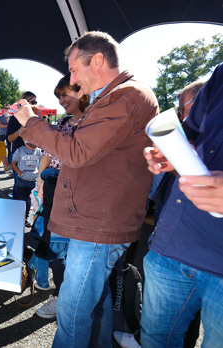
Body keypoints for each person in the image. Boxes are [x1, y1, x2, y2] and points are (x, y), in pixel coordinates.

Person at [15, 31, 159, 347]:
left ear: (97, 60)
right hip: (91, 219)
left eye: (74, 69)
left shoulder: (127, 97)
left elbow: (77, 152)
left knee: (73, 310)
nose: (73, 79)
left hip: (97, 224)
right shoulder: (114, 97)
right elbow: (79, 148)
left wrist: (31, 122)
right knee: (96, 303)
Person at [140, 64, 223, 347]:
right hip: (172, 250)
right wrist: (168, 154)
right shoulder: (220, 75)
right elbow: (192, 136)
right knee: (155, 340)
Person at [27, 74, 89, 320]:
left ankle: (66, 298)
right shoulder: (63, 122)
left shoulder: (94, 122)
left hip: (78, 197)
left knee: (71, 252)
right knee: (52, 244)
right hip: (53, 192)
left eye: (65, 94)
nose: (62, 100)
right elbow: (47, 152)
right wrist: (40, 180)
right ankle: (60, 294)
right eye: (58, 96)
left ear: (82, 91)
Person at [11, 142, 42, 224]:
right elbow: (13, 162)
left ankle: (26, 218)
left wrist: (38, 174)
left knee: (29, 201)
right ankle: (18, 217)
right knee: (21, 200)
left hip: (33, 181)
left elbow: (42, 163)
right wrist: (19, 173)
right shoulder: (19, 150)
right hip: (22, 180)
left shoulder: (38, 151)